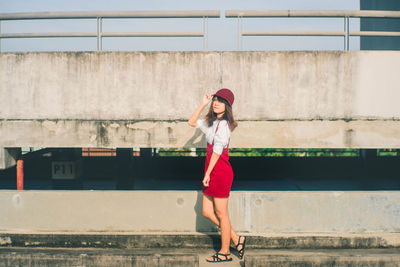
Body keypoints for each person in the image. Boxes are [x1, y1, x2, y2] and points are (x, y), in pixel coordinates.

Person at [188, 88, 246, 263]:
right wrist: (203, 103)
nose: (216, 103)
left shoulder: (224, 126)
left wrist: (207, 173)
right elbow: (191, 122)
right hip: (211, 170)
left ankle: (225, 252)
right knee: (207, 211)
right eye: (215, 99)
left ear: (227, 106)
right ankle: (236, 238)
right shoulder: (211, 123)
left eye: (220, 101)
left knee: (222, 214)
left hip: (220, 171)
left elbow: (217, 152)